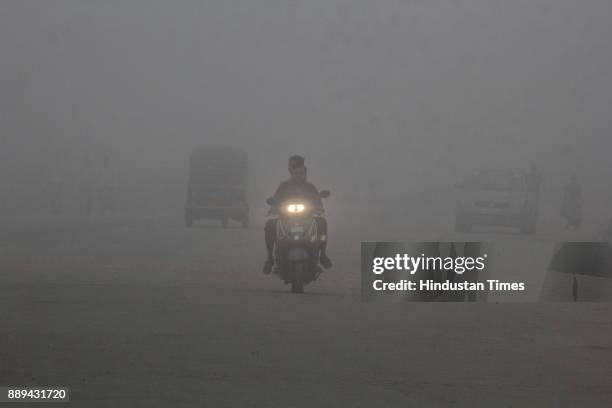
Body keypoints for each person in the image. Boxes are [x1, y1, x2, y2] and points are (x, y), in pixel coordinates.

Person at [263, 155, 332, 274]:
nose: (299, 175)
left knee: (322, 223)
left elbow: (318, 202)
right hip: (286, 218)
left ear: (305, 174)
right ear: (291, 173)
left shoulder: (310, 187)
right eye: (296, 173)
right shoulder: (284, 186)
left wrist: (319, 208)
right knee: (270, 225)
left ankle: (323, 255)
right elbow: (276, 199)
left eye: (301, 173)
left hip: (307, 219)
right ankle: (270, 258)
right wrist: (273, 206)